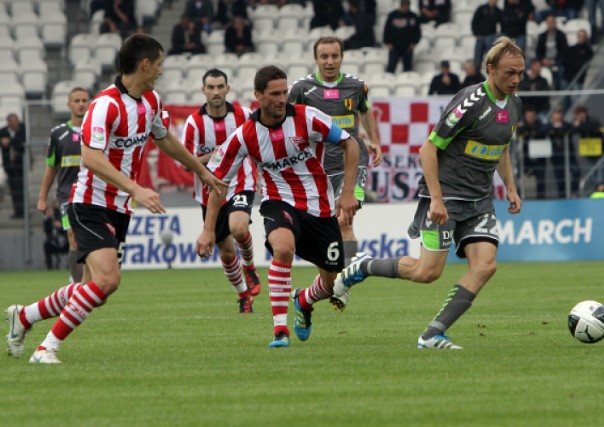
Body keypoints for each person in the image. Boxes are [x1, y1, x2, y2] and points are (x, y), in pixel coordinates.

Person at [5, 34, 225, 364]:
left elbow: (166, 141)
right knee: (108, 280)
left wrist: (201, 171)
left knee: (95, 289)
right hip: (89, 203)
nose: (162, 71)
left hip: (119, 208)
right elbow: (91, 157)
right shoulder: (105, 105)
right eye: (160, 64)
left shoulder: (151, 101)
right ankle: (46, 349)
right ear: (145, 64)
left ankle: (24, 317)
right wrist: (136, 189)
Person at [331, 36, 525, 350]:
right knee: (426, 272)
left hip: (480, 201)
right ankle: (362, 266)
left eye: (520, 73)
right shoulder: (471, 102)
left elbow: (501, 148)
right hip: (446, 198)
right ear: (490, 69)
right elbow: (428, 149)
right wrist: (436, 198)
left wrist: (511, 188)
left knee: (486, 266)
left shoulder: (515, 105)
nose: (516, 80)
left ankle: (432, 334)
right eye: (509, 73)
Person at [197, 65, 361, 348]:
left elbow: (351, 144)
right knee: (283, 248)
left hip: (319, 207)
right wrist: (208, 229)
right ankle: (279, 330)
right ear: (258, 95)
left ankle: (304, 300)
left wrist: (347, 193)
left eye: (284, 92)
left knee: (332, 281)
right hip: (278, 201)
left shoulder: (308, 118)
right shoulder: (245, 135)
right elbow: (217, 181)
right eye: (274, 94)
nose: (281, 98)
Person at [288, 36, 382, 268]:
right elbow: (287, 119)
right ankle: (330, 277)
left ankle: (346, 276)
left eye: (334, 56)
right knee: (327, 225)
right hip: (319, 165)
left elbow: (365, 110)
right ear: (316, 59)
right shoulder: (301, 89)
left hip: (352, 161)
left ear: (341, 57)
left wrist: (374, 141)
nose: (330, 62)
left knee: (344, 219)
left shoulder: (356, 86)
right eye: (324, 57)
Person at [181, 68, 261, 313]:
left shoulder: (245, 115)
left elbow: (260, 143)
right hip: (208, 191)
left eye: (220, 87)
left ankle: (249, 266)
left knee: (239, 227)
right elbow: (186, 162)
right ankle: (244, 295)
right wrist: (213, 157)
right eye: (211, 87)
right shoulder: (194, 123)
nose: (216, 92)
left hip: (240, 182)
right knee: (226, 252)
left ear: (228, 89)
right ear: (203, 90)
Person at [37, 87, 91, 283]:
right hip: (67, 195)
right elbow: (51, 168)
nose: (81, 104)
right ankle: (77, 284)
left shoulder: (96, 131)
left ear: (89, 103)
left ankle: (86, 280)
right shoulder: (57, 134)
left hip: (92, 194)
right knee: (73, 236)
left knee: (90, 240)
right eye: (76, 100)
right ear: (69, 104)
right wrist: (42, 197)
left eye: (84, 100)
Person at [572, 104, 604, 191]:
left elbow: (589, 129)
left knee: (602, 172)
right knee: (592, 173)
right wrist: (576, 125)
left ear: (583, 113)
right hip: (589, 152)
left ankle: (602, 190)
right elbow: (573, 131)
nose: (576, 117)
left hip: (600, 151)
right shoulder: (578, 123)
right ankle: (595, 190)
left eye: (578, 114)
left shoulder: (593, 120)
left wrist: (579, 126)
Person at [547, 109, 580, 198]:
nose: (557, 116)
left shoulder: (567, 125)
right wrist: (555, 128)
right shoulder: (548, 126)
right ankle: (562, 196)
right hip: (556, 157)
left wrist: (559, 128)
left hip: (569, 155)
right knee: (560, 178)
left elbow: (573, 130)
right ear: (552, 116)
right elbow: (543, 130)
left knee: (576, 172)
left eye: (559, 114)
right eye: (555, 114)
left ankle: (574, 191)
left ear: (561, 115)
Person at [383, 0, 422, 74]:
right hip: (394, 46)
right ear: (401, 6)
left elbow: (417, 32)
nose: (405, 8)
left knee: (407, 68)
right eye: (404, 6)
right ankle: (389, 79)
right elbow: (387, 30)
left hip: (407, 47)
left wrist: (414, 43)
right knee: (391, 67)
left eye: (407, 6)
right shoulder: (393, 15)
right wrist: (387, 42)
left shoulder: (413, 16)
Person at [517, 107, 548, 199]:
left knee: (541, 177)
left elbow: (543, 130)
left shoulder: (540, 124)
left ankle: (541, 197)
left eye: (532, 116)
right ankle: (518, 195)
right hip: (525, 157)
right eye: (528, 116)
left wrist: (527, 128)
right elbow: (518, 131)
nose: (530, 118)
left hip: (539, 157)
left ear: (535, 117)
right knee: (518, 175)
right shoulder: (522, 126)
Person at [0, 113, 27, 219]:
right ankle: (18, 211)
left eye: (16, 121)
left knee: (21, 188)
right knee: (14, 189)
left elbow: (23, 141)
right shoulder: (3, 131)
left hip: (20, 165)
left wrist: (9, 141)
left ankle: (23, 211)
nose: (14, 124)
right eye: (12, 122)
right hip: (9, 166)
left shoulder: (23, 129)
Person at [535, 15, 568, 89]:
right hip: (544, 60)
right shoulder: (542, 36)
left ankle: (559, 90)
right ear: (546, 23)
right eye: (549, 22)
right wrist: (542, 60)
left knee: (562, 70)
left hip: (557, 60)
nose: (551, 24)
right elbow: (538, 51)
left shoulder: (561, 35)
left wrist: (554, 61)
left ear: (555, 23)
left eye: (552, 22)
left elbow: (564, 51)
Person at [471, 0, 501, 71]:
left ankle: (490, 67)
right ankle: (477, 71)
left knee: (491, 56)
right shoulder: (481, 9)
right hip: (480, 36)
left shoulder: (497, 11)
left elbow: (503, 24)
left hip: (491, 37)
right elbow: (474, 22)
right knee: (477, 60)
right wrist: (476, 33)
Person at [43, 205, 69, 270]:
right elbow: (46, 231)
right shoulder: (48, 220)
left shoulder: (64, 218)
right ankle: (49, 267)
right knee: (47, 244)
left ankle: (71, 266)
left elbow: (68, 231)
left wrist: (61, 226)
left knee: (72, 245)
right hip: (53, 242)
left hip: (64, 242)